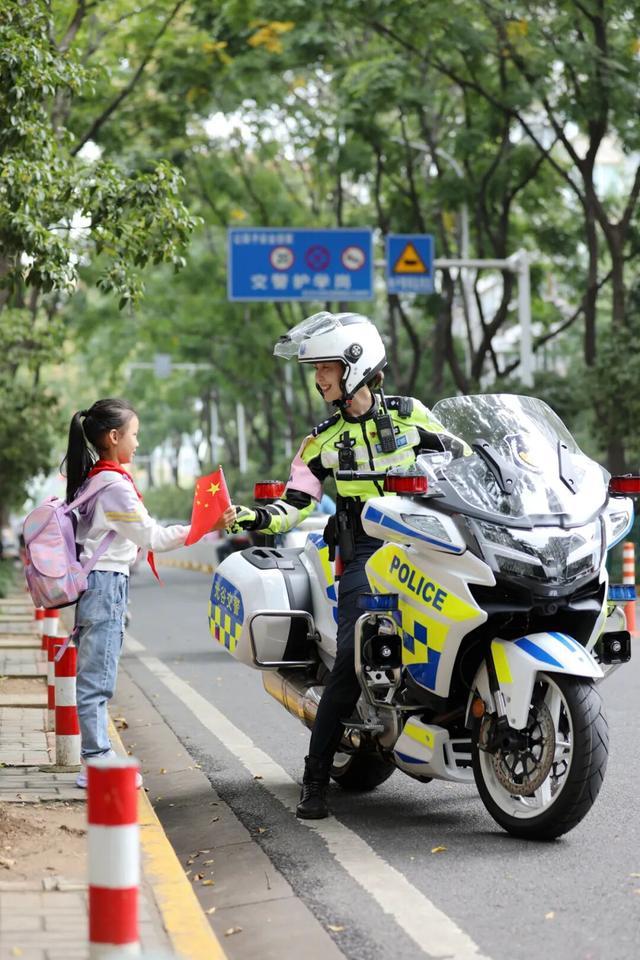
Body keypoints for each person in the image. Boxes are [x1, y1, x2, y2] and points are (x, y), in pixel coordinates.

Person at [229, 312, 465, 819]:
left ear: (355, 366)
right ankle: (315, 779)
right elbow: (296, 503)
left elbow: (463, 463)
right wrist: (254, 516)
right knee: (356, 660)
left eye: (326, 368)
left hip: (427, 543)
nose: (319, 379)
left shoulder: (412, 417)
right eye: (316, 370)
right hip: (365, 553)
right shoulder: (323, 441)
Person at [62, 398, 234, 788]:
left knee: (97, 674)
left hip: (102, 585)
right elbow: (153, 537)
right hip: (105, 585)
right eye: (134, 434)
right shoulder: (112, 486)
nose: (137, 442)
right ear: (113, 437)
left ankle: (97, 756)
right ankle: (97, 762)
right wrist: (204, 526)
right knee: (97, 678)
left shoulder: (98, 478)